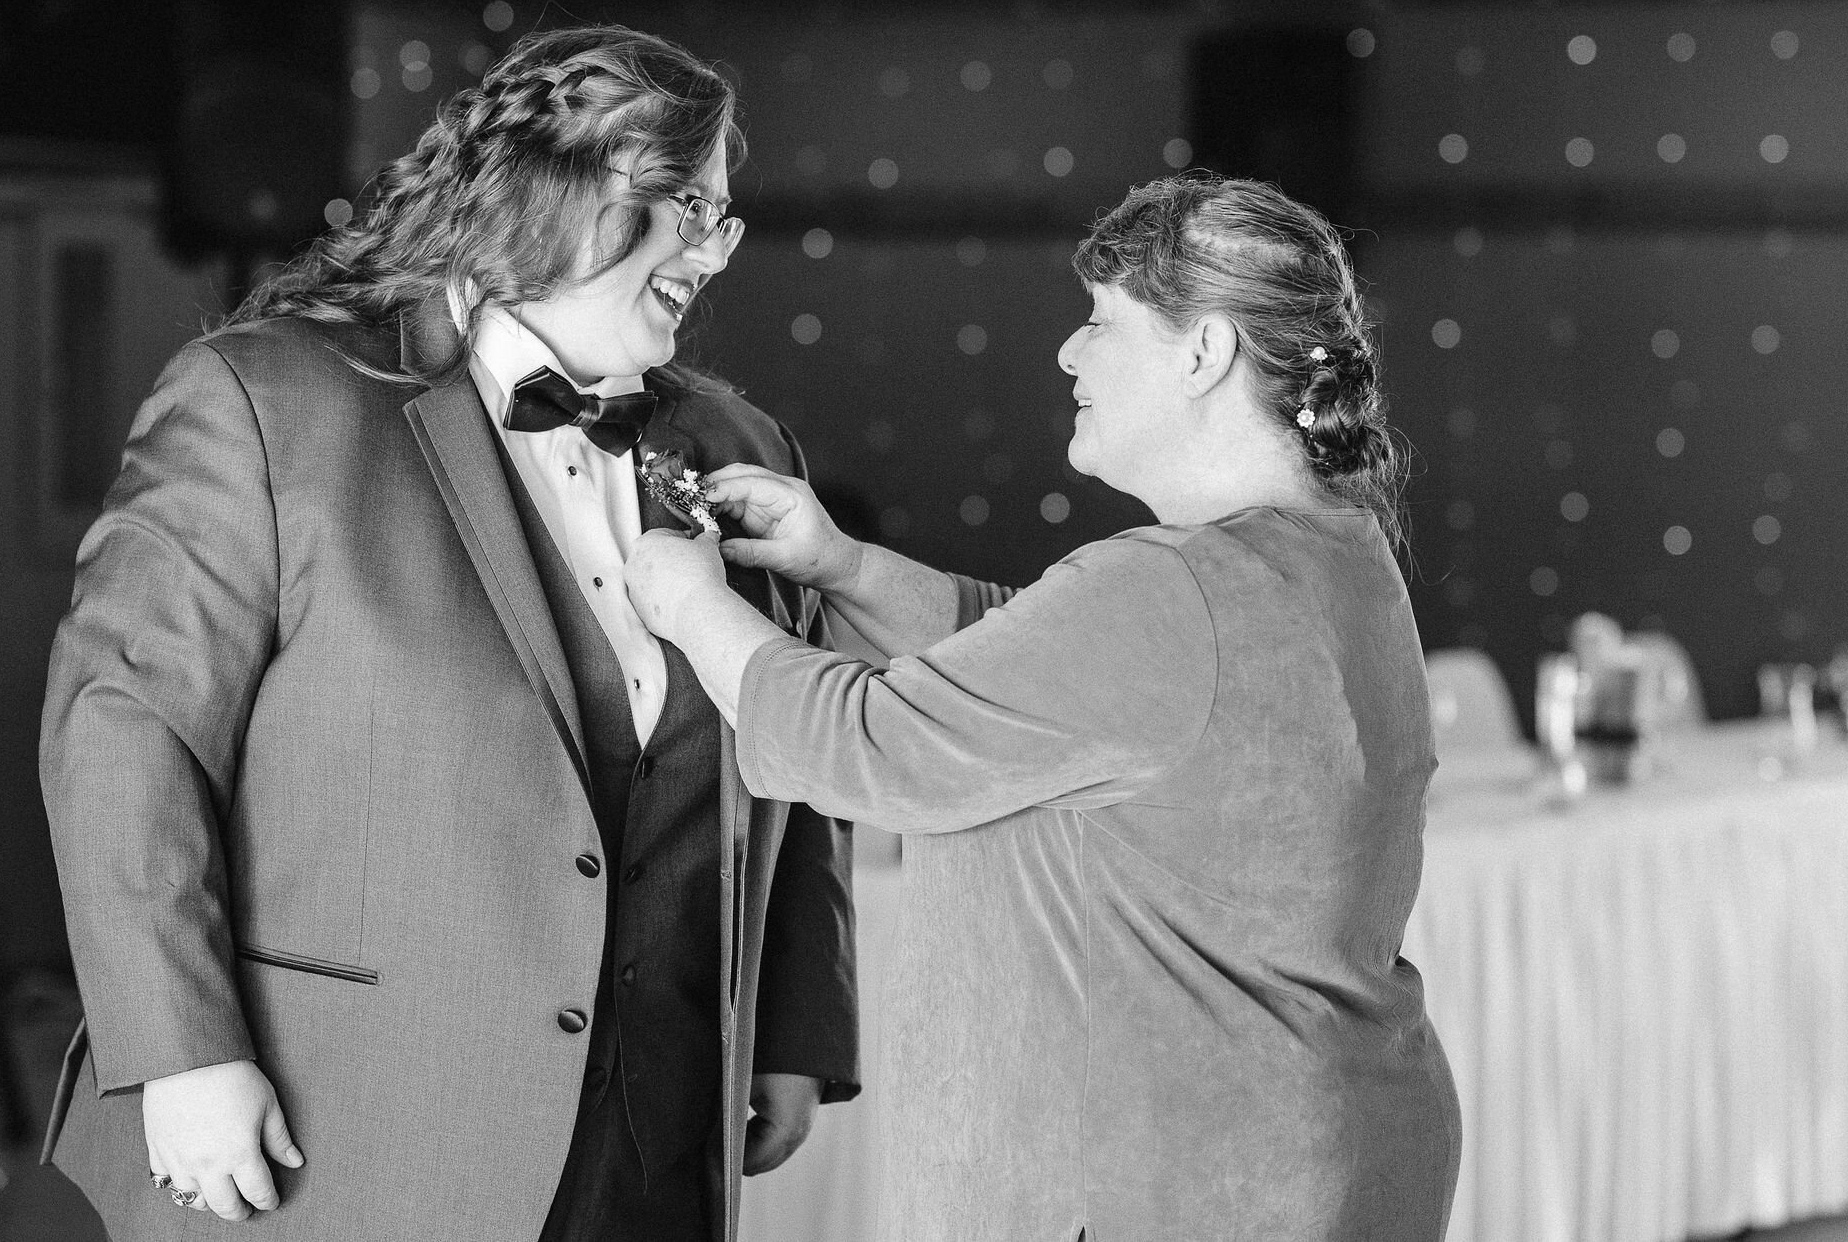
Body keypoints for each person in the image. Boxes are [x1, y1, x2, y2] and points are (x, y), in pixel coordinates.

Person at [38, 24, 857, 1242]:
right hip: (342, 1132)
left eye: (723, 218)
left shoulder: (744, 450)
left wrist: (791, 1024)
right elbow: (125, 731)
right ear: (549, 185)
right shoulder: (267, 401)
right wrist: (179, 1053)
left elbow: (791, 741)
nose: (712, 250)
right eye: (685, 203)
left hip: (658, 1140)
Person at [625, 174, 1462, 1241]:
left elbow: (859, 746)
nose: (1067, 354)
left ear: (1202, 353)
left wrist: (693, 608)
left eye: (1099, 322)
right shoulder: (1332, 555)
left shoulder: (1173, 589)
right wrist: (842, 568)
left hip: (1167, 1188)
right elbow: (1045, 669)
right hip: (1308, 1162)